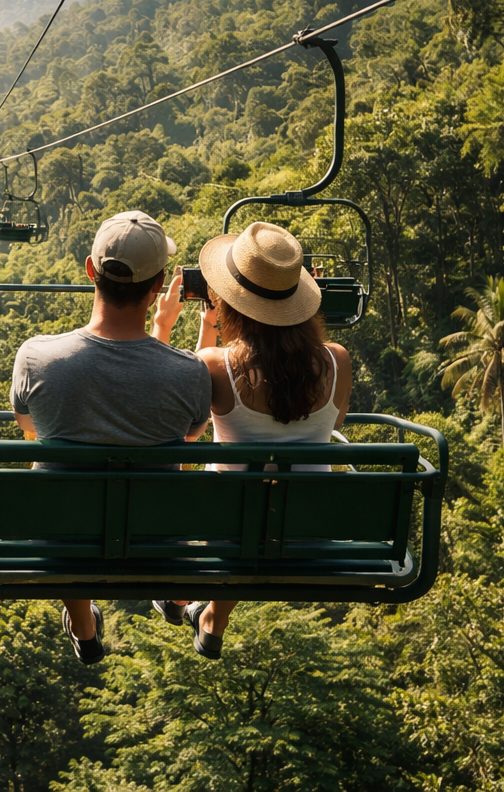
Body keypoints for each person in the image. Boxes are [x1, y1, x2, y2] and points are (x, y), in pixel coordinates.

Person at [11, 211, 212, 665]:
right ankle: (174, 599)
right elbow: (190, 435)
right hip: (155, 544)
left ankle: (83, 624)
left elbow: (31, 429)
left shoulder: (36, 357)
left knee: (56, 483)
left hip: (62, 543)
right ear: (159, 284)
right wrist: (163, 333)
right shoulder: (189, 373)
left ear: (89, 270)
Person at [150, 221, 352, 660]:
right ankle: (210, 618)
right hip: (309, 531)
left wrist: (166, 329)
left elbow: (186, 433)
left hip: (226, 531)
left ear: (229, 300)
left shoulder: (217, 365)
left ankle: (184, 598)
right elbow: (332, 419)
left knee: (231, 501)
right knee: (270, 502)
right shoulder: (337, 361)